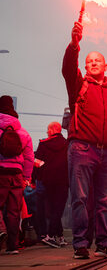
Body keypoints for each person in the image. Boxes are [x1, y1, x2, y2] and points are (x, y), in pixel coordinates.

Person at [62, 21, 107, 259]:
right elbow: (69, 69)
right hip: (82, 148)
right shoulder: (79, 85)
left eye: (97, 60)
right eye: (89, 60)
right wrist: (74, 45)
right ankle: (81, 243)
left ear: (105, 65)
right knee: (79, 197)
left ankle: (104, 242)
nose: (92, 63)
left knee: (104, 201)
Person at [0, 95, 34, 254]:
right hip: (17, 174)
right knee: (14, 211)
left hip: (1, 172)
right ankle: (12, 246)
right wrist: (26, 178)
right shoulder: (23, 132)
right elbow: (29, 157)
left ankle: (1, 231)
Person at [33, 122, 69, 248]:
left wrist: (36, 177)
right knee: (58, 209)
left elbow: (36, 163)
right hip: (64, 181)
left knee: (53, 209)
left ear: (53, 130)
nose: (47, 132)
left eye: (48, 130)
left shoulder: (44, 144)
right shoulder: (67, 144)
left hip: (48, 180)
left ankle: (51, 235)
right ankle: (60, 236)